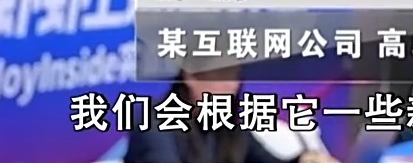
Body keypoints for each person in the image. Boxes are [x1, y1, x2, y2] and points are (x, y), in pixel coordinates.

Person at [124, 68, 338, 163]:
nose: (230, 86)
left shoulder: (228, 123)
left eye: (234, 76)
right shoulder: (154, 121)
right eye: (221, 75)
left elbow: (264, 161)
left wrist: (303, 161)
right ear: (191, 77)